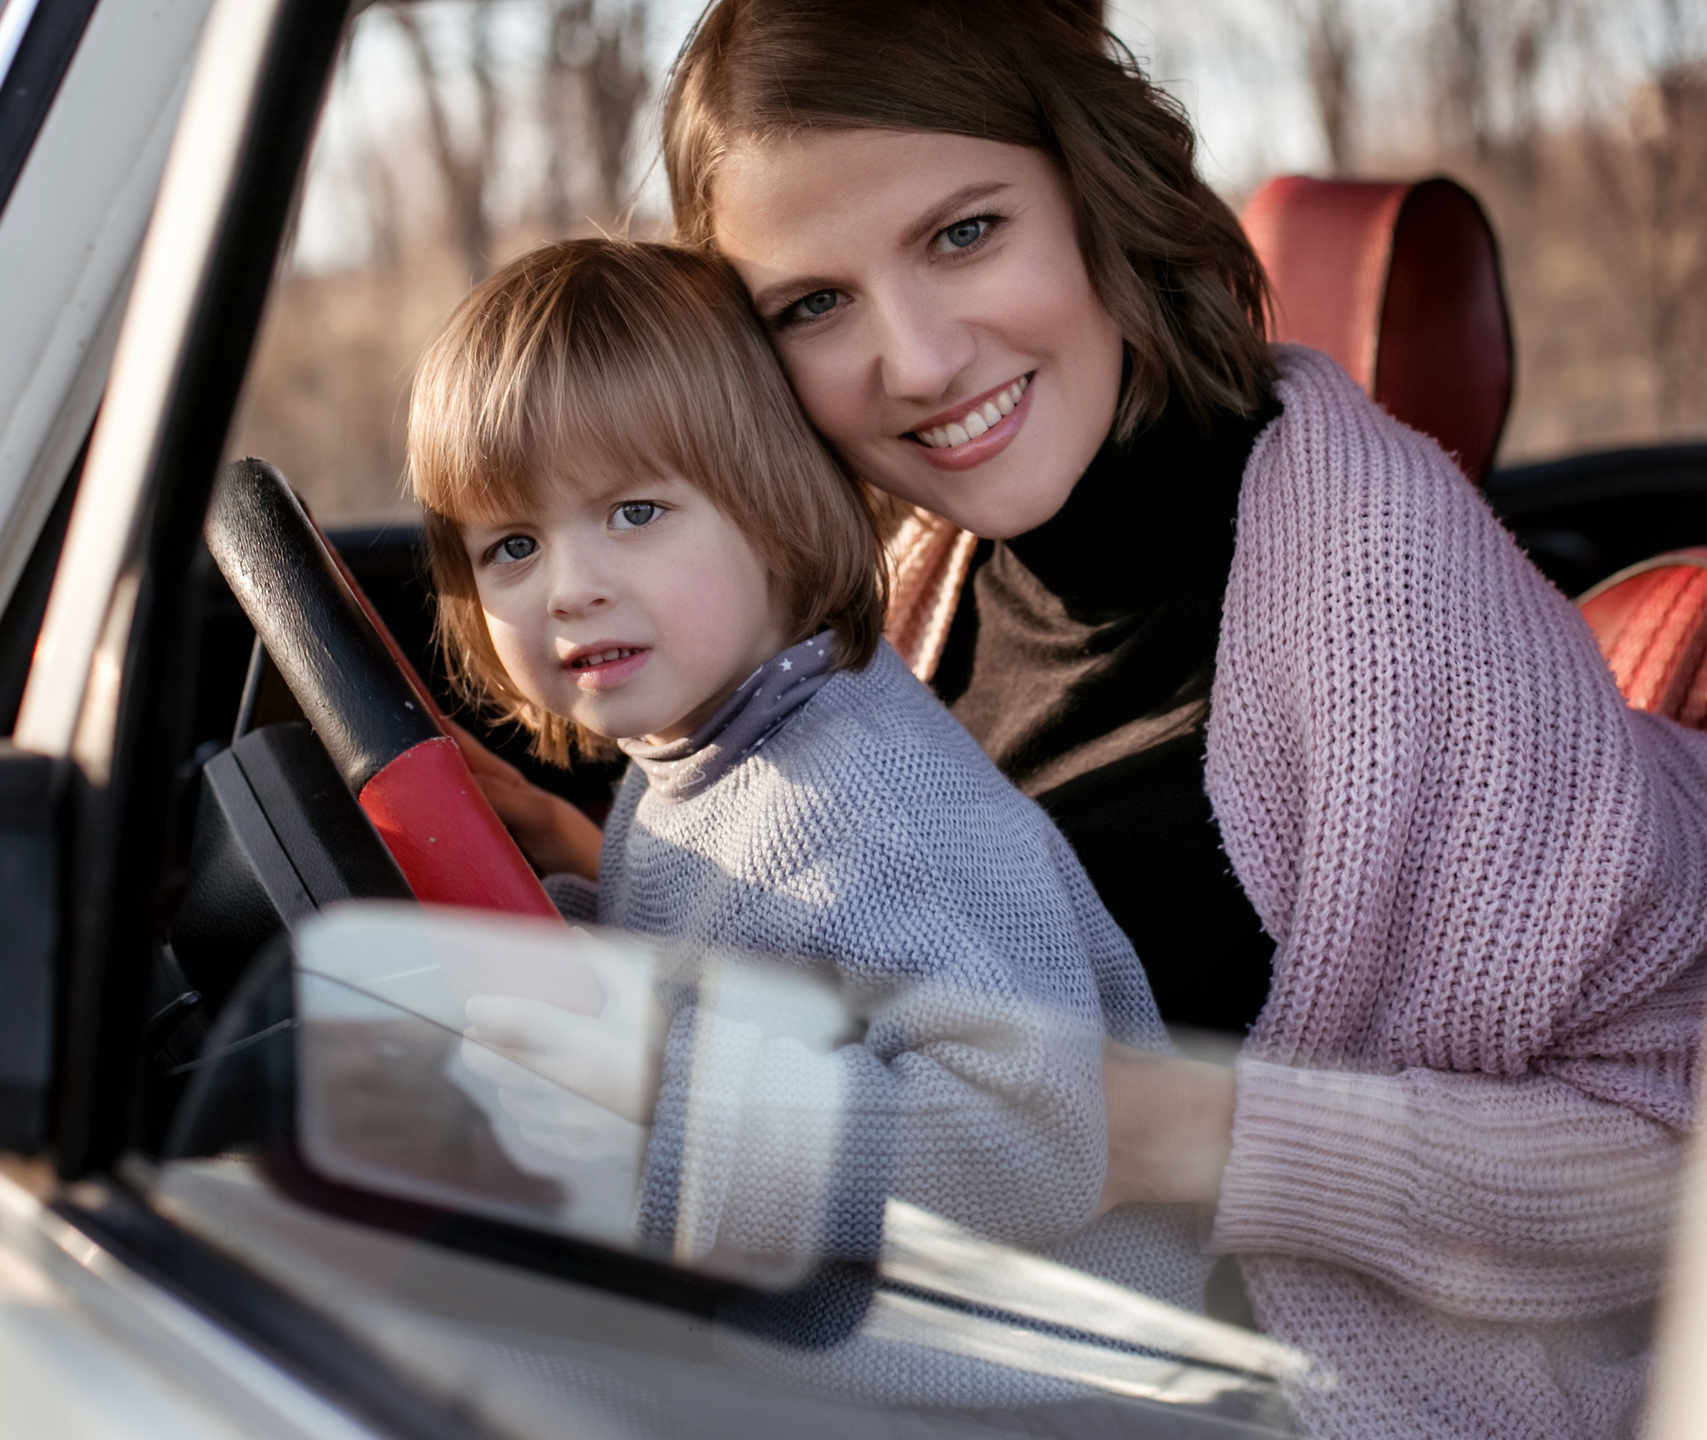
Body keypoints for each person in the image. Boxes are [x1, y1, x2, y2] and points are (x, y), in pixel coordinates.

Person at [636, 0, 1707, 1439]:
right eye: (810, 305)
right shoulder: (913, 584)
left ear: (1094, 200)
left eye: (964, 232)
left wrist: (1177, 1128)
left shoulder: (1373, 581)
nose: (916, 357)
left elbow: (1706, 1158)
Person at [405, 237, 1212, 1400]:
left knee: (434, 1351)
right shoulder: (698, 755)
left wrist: (658, 1087)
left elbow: (1031, 1146)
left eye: (634, 511)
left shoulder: (860, 799)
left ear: (775, 508)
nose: (568, 586)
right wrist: (564, 923)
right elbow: (738, 984)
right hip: (830, 1334)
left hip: (1008, 1396)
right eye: (512, 546)